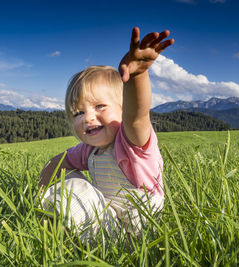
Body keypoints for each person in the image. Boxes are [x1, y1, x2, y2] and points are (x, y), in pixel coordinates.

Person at [38, 27, 174, 240]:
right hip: (108, 222)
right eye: (78, 113)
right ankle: (55, 227)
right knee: (68, 178)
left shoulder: (131, 143)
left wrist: (138, 75)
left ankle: (76, 239)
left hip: (138, 232)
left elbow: (137, 115)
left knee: (74, 185)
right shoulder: (89, 150)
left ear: (123, 108)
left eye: (100, 106)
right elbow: (58, 162)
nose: (87, 118)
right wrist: (38, 192)